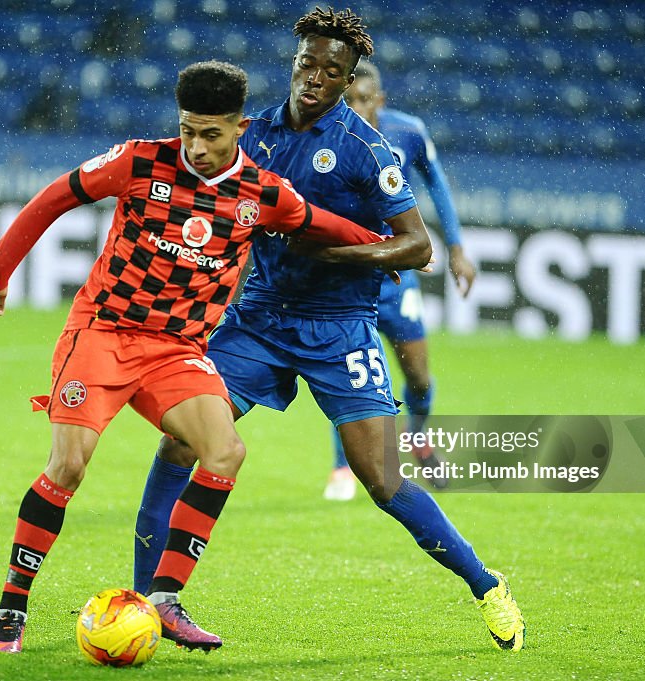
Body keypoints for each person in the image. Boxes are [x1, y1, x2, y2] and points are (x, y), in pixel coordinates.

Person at [0, 60, 400, 654]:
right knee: (69, 466)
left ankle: (165, 600)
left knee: (225, 451)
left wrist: (391, 248)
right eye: (188, 131)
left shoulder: (263, 194)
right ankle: (13, 606)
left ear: (240, 128)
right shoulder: (140, 161)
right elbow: (54, 197)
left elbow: (321, 224)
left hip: (175, 351)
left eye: (211, 135)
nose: (196, 147)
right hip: (103, 333)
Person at [132, 9, 525, 652]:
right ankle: (152, 600)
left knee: (382, 480)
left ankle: (485, 583)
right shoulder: (253, 134)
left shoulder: (369, 151)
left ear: (347, 81)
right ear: (294, 62)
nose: (315, 77)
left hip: (339, 328)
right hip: (258, 320)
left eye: (331, 71)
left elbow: (415, 246)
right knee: (181, 443)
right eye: (307, 64)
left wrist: (340, 256)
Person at [323, 60, 478, 501]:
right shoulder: (326, 139)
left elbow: (438, 185)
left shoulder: (406, 132)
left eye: (363, 99)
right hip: (351, 281)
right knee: (355, 377)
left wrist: (458, 249)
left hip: (397, 282)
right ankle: (341, 468)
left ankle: (417, 435)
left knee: (420, 380)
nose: (355, 107)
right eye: (347, 99)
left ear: (380, 100)